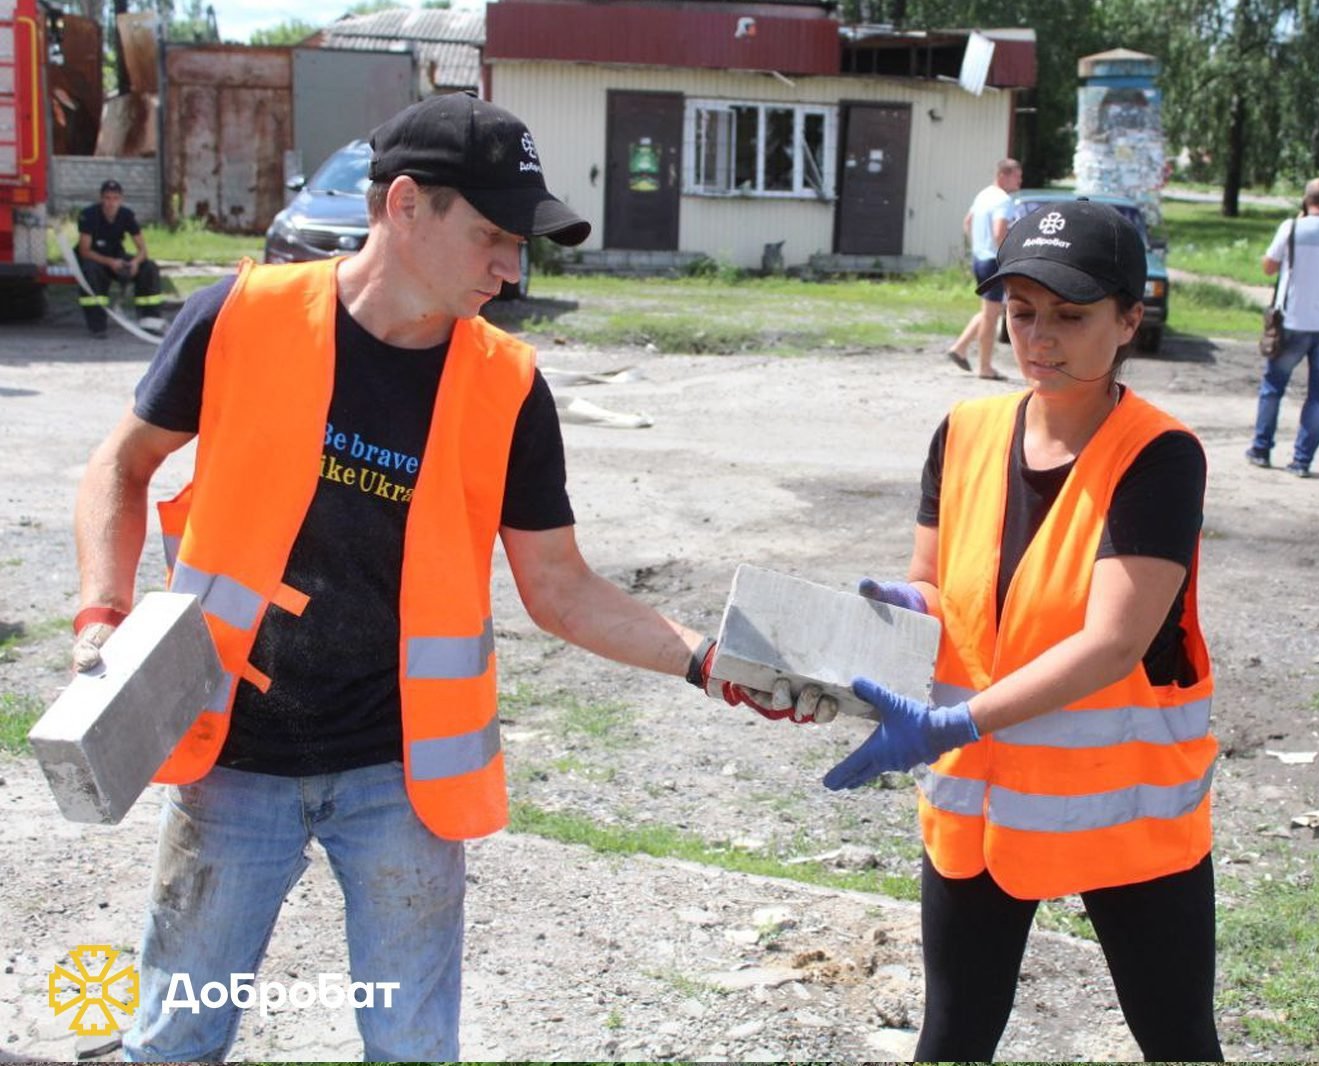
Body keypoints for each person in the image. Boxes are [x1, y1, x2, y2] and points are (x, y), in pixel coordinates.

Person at [70, 91, 814, 1062]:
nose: (511, 268)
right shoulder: (242, 318)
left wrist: (705, 660)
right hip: (233, 758)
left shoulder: (507, 387)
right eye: (493, 235)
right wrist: (100, 616)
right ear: (406, 204)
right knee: (176, 1037)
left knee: (414, 1047)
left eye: (520, 244)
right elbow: (120, 466)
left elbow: (561, 587)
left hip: (400, 775)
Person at [831, 200, 1222, 1061]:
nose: (1040, 339)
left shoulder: (1159, 455)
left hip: (1125, 812)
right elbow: (939, 585)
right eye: (1021, 312)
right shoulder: (964, 432)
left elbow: (1112, 642)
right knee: (954, 1036)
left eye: (1071, 316)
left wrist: (951, 724)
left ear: (1130, 319)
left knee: (1179, 1042)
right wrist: (903, 605)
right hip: (982, 808)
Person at [1245, 176, 1319, 477]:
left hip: (1293, 321)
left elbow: (1268, 266)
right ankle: (1302, 460)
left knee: (1273, 387)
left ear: (1306, 201)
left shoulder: (1292, 228)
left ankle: (1261, 449)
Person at [945, 158, 1022, 381]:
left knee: (990, 310)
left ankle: (960, 348)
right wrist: (1008, 257)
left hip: (980, 259)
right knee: (991, 316)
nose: (1020, 181)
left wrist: (978, 245)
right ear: (1003, 175)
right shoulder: (1003, 200)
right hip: (993, 261)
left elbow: (967, 222)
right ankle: (985, 367)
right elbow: (999, 233)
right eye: (1017, 176)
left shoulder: (984, 195)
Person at [77, 179, 165, 336]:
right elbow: (84, 251)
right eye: (107, 198)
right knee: (91, 271)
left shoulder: (126, 215)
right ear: (101, 199)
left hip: (116, 257)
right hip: (96, 259)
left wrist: (135, 263)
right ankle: (98, 326)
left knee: (149, 268)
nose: (111, 203)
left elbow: (143, 250)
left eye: (115, 198)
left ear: (121, 199)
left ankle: (150, 321)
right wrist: (110, 262)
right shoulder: (89, 215)